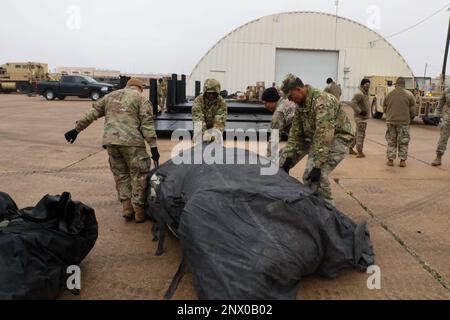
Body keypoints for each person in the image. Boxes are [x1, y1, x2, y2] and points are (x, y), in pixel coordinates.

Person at [64, 78, 159, 223]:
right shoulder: (141, 99)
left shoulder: (110, 96)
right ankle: (139, 212)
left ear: (127, 86)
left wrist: (76, 130)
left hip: (111, 142)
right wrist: (153, 147)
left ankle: (127, 208)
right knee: (139, 174)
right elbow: (147, 124)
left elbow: (93, 112)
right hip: (132, 142)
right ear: (139, 88)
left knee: (121, 175)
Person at [280, 74, 354, 204]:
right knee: (280, 160)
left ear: (298, 89)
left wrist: (318, 165)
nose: (290, 100)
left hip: (338, 137)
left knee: (314, 176)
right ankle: (310, 202)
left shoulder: (322, 101)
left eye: (291, 96)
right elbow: (295, 133)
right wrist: (288, 156)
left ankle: (328, 211)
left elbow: (324, 134)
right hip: (315, 138)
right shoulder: (301, 105)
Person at [383, 77, 416, 167]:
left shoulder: (389, 94)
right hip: (404, 122)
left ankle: (390, 160)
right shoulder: (409, 94)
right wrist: (409, 118)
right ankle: (402, 161)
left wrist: (389, 116)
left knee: (391, 140)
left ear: (396, 84)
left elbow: (384, 107)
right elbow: (413, 110)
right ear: (404, 85)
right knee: (403, 141)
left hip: (391, 121)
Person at [261, 87, 297, 158]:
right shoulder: (288, 102)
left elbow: (274, 138)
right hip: (309, 136)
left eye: (266, 103)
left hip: (303, 139)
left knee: (281, 161)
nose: (265, 106)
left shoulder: (278, 113)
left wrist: (268, 158)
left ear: (272, 100)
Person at [349, 79, 371, 157]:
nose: (368, 86)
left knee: (358, 133)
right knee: (361, 135)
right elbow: (352, 103)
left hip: (363, 117)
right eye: (366, 85)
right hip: (360, 117)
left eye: (369, 85)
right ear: (362, 85)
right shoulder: (359, 94)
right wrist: (360, 111)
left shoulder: (365, 93)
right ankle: (359, 152)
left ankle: (350, 148)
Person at [431, 87, 450, 166]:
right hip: (448, 117)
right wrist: (437, 114)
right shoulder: (447, 90)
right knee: (443, 137)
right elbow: (440, 103)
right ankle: (438, 157)